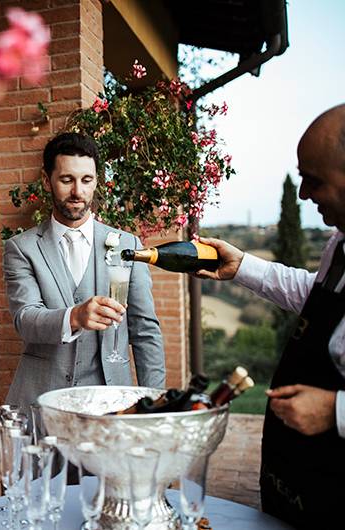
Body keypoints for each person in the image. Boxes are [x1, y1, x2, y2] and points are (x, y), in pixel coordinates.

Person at [196, 104, 345, 528]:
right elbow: (316, 296)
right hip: (299, 486)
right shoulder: (340, 245)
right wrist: (242, 265)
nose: (302, 195)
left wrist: (337, 411)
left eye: (313, 180)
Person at [3, 132, 165, 410]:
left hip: (111, 402)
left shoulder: (128, 245)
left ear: (96, 182)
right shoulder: (22, 248)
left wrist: (156, 402)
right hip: (43, 401)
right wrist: (75, 316)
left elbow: (145, 330)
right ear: (47, 181)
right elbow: (25, 319)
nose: (78, 191)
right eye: (67, 180)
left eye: (86, 180)